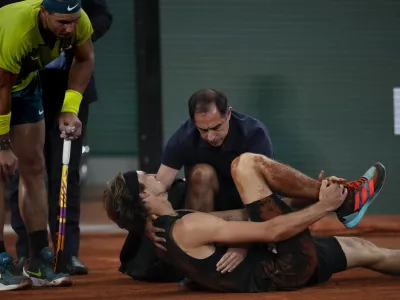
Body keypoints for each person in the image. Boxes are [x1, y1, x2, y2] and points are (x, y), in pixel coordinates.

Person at [103, 153, 392, 292]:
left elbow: (245, 218)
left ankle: (346, 202)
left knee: (364, 249)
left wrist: (303, 198)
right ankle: (347, 202)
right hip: (284, 266)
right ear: (143, 194)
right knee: (246, 164)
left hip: (273, 264)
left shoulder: (171, 227)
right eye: (146, 178)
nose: (154, 175)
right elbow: (272, 230)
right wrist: (325, 205)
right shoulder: (186, 227)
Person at [7, 0, 113, 276]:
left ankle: (49, 255)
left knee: (46, 169)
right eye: (61, 22)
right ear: (43, 14)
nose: (69, 27)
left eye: (73, 21)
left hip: (43, 83)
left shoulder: (80, 22)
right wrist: (3, 144)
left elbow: (86, 55)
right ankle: (11, 258)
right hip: (7, 81)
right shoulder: (17, 31)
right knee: (8, 169)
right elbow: (2, 88)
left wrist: (70, 108)